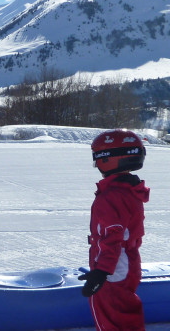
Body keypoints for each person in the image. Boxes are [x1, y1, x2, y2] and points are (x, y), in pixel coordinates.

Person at [80, 129, 149, 330]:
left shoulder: (111, 196)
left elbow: (111, 237)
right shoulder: (130, 190)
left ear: (107, 159)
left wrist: (101, 272)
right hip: (128, 262)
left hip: (115, 268)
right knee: (125, 315)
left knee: (111, 318)